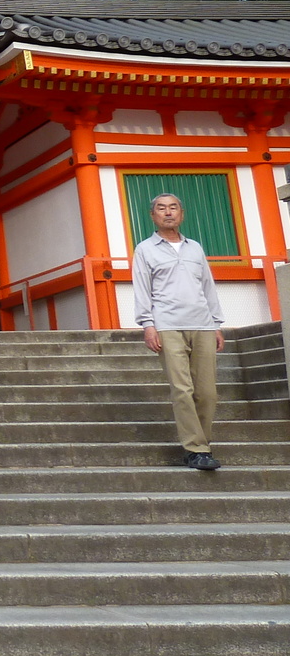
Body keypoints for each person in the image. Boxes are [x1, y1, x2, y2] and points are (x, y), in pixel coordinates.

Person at [131, 192, 226, 471]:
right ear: (153, 215)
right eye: (162, 208)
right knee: (182, 389)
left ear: (181, 214)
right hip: (168, 325)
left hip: (202, 324)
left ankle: (202, 444)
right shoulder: (145, 249)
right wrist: (148, 325)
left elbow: (207, 286)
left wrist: (216, 324)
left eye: (173, 208)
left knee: (207, 391)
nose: (168, 213)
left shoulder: (195, 248)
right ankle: (196, 448)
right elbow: (141, 289)